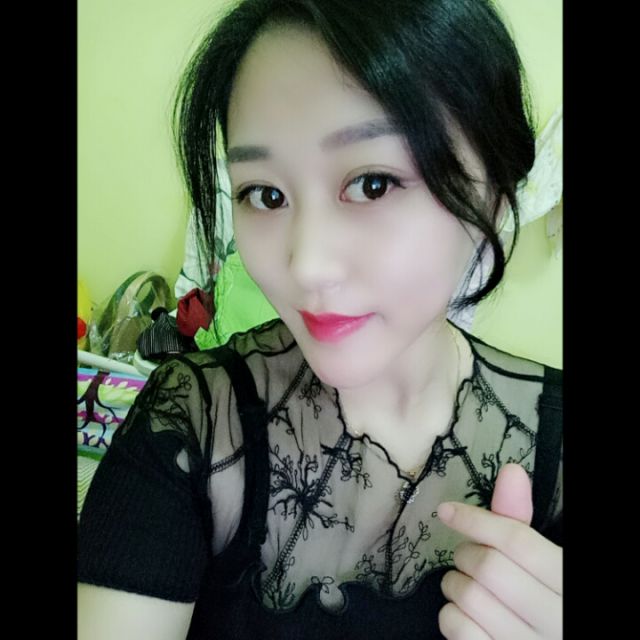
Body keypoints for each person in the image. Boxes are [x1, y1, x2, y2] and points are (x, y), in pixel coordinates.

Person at [78, 1, 563, 638]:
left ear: (493, 193)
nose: (305, 266)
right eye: (265, 194)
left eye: (372, 184)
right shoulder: (188, 421)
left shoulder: (553, 438)